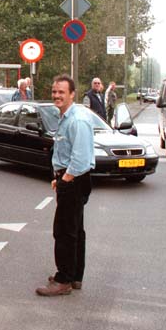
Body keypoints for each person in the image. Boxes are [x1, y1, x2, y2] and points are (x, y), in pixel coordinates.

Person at [37, 74, 94, 297]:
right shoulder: (66, 116)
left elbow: (79, 159)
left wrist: (64, 180)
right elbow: (66, 153)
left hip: (74, 180)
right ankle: (75, 276)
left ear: (72, 94)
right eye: (54, 91)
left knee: (63, 232)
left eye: (61, 92)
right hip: (71, 178)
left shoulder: (77, 119)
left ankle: (64, 280)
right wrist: (58, 175)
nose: (57, 95)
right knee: (75, 231)